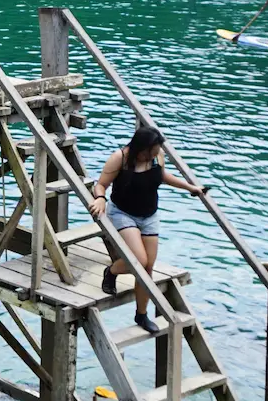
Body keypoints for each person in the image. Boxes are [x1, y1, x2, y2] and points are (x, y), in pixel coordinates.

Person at [87, 126, 211, 336]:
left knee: (148, 267)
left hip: (150, 215)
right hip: (123, 213)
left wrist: (191, 188)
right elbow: (101, 185)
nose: (156, 154)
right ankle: (111, 272)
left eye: (157, 151)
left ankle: (141, 314)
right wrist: (100, 198)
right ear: (141, 148)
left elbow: (162, 176)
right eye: (152, 151)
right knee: (139, 260)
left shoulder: (157, 156)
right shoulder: (120, 158)